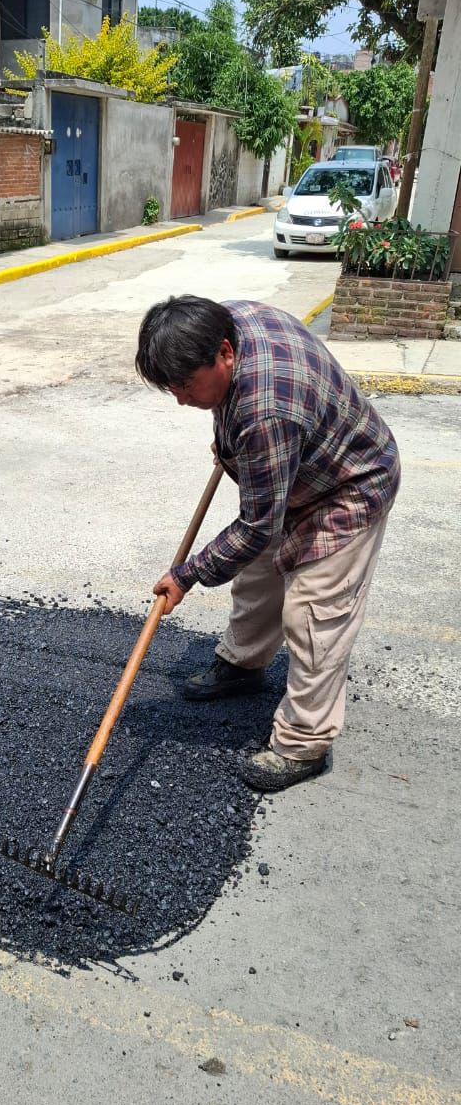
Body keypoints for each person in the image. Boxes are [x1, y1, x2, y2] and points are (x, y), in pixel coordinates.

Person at [135, 296, 401, 792]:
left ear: (225, 352)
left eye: (187, 386)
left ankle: (304, 743)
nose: (181, 400)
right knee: (257, 575)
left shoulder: (266, 413)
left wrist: (187, 576)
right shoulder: (227, 320)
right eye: (172, 389)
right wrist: (229, 443)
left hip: (348, 484)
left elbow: (257, 525)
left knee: (314, 613)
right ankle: (243, 663)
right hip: (292, 469)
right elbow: (259, 524)